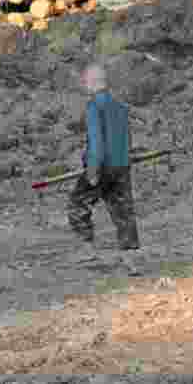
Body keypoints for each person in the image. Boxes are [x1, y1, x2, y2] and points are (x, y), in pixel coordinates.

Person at [68, 63, 140, 250]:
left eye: (85, 81)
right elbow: (126, 139)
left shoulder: (94, 107)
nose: (83, 85)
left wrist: (92, 171)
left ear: (92, 83)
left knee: (78, 203)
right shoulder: (121, 107)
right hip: (122, 166)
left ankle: (86, 248)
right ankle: (131, 253)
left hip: (102, 166)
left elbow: (96, 142)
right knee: (124, 211)